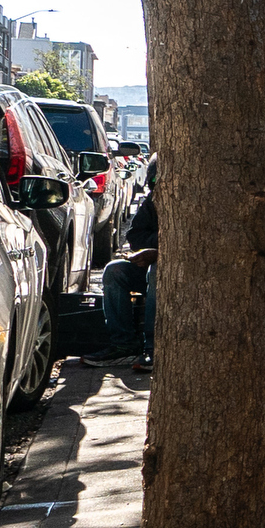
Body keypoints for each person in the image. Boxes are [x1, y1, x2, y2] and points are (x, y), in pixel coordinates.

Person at [95, 158, 156, 371]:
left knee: (157, 273)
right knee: (115, 270)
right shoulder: (152, 202)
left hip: (178, 272)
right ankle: (123, 343)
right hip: (149, 264)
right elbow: (134, 235)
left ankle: (153, 348)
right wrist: (150, 249)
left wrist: (159, 253)